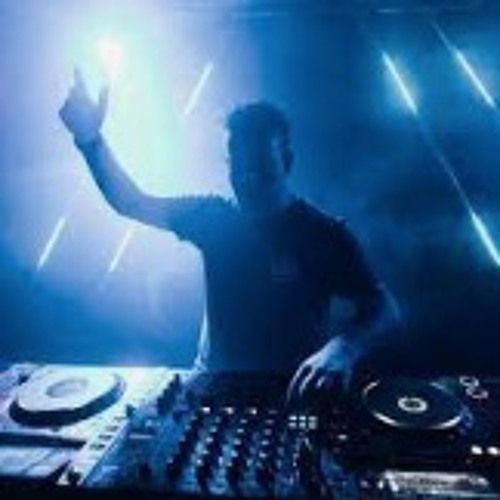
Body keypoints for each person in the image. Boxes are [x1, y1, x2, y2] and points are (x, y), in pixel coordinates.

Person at [59, 70, 399, 402]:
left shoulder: (323, 233)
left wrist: (345, 347)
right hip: (213, 390)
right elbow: (131, 202)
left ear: (287, 161)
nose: (248, 181)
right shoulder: (214, 217)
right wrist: (90, 142)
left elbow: (385, 308)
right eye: (239, 168)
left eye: (261, 167)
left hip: (291, 393)